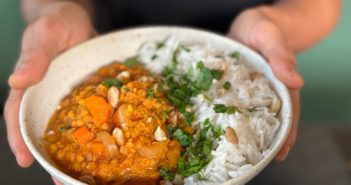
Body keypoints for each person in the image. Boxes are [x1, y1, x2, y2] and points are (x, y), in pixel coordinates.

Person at [4, 0, 341, 184]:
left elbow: (322, 6)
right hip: (110, 46)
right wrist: (56, 11)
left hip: (240, 59)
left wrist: (274, 23)